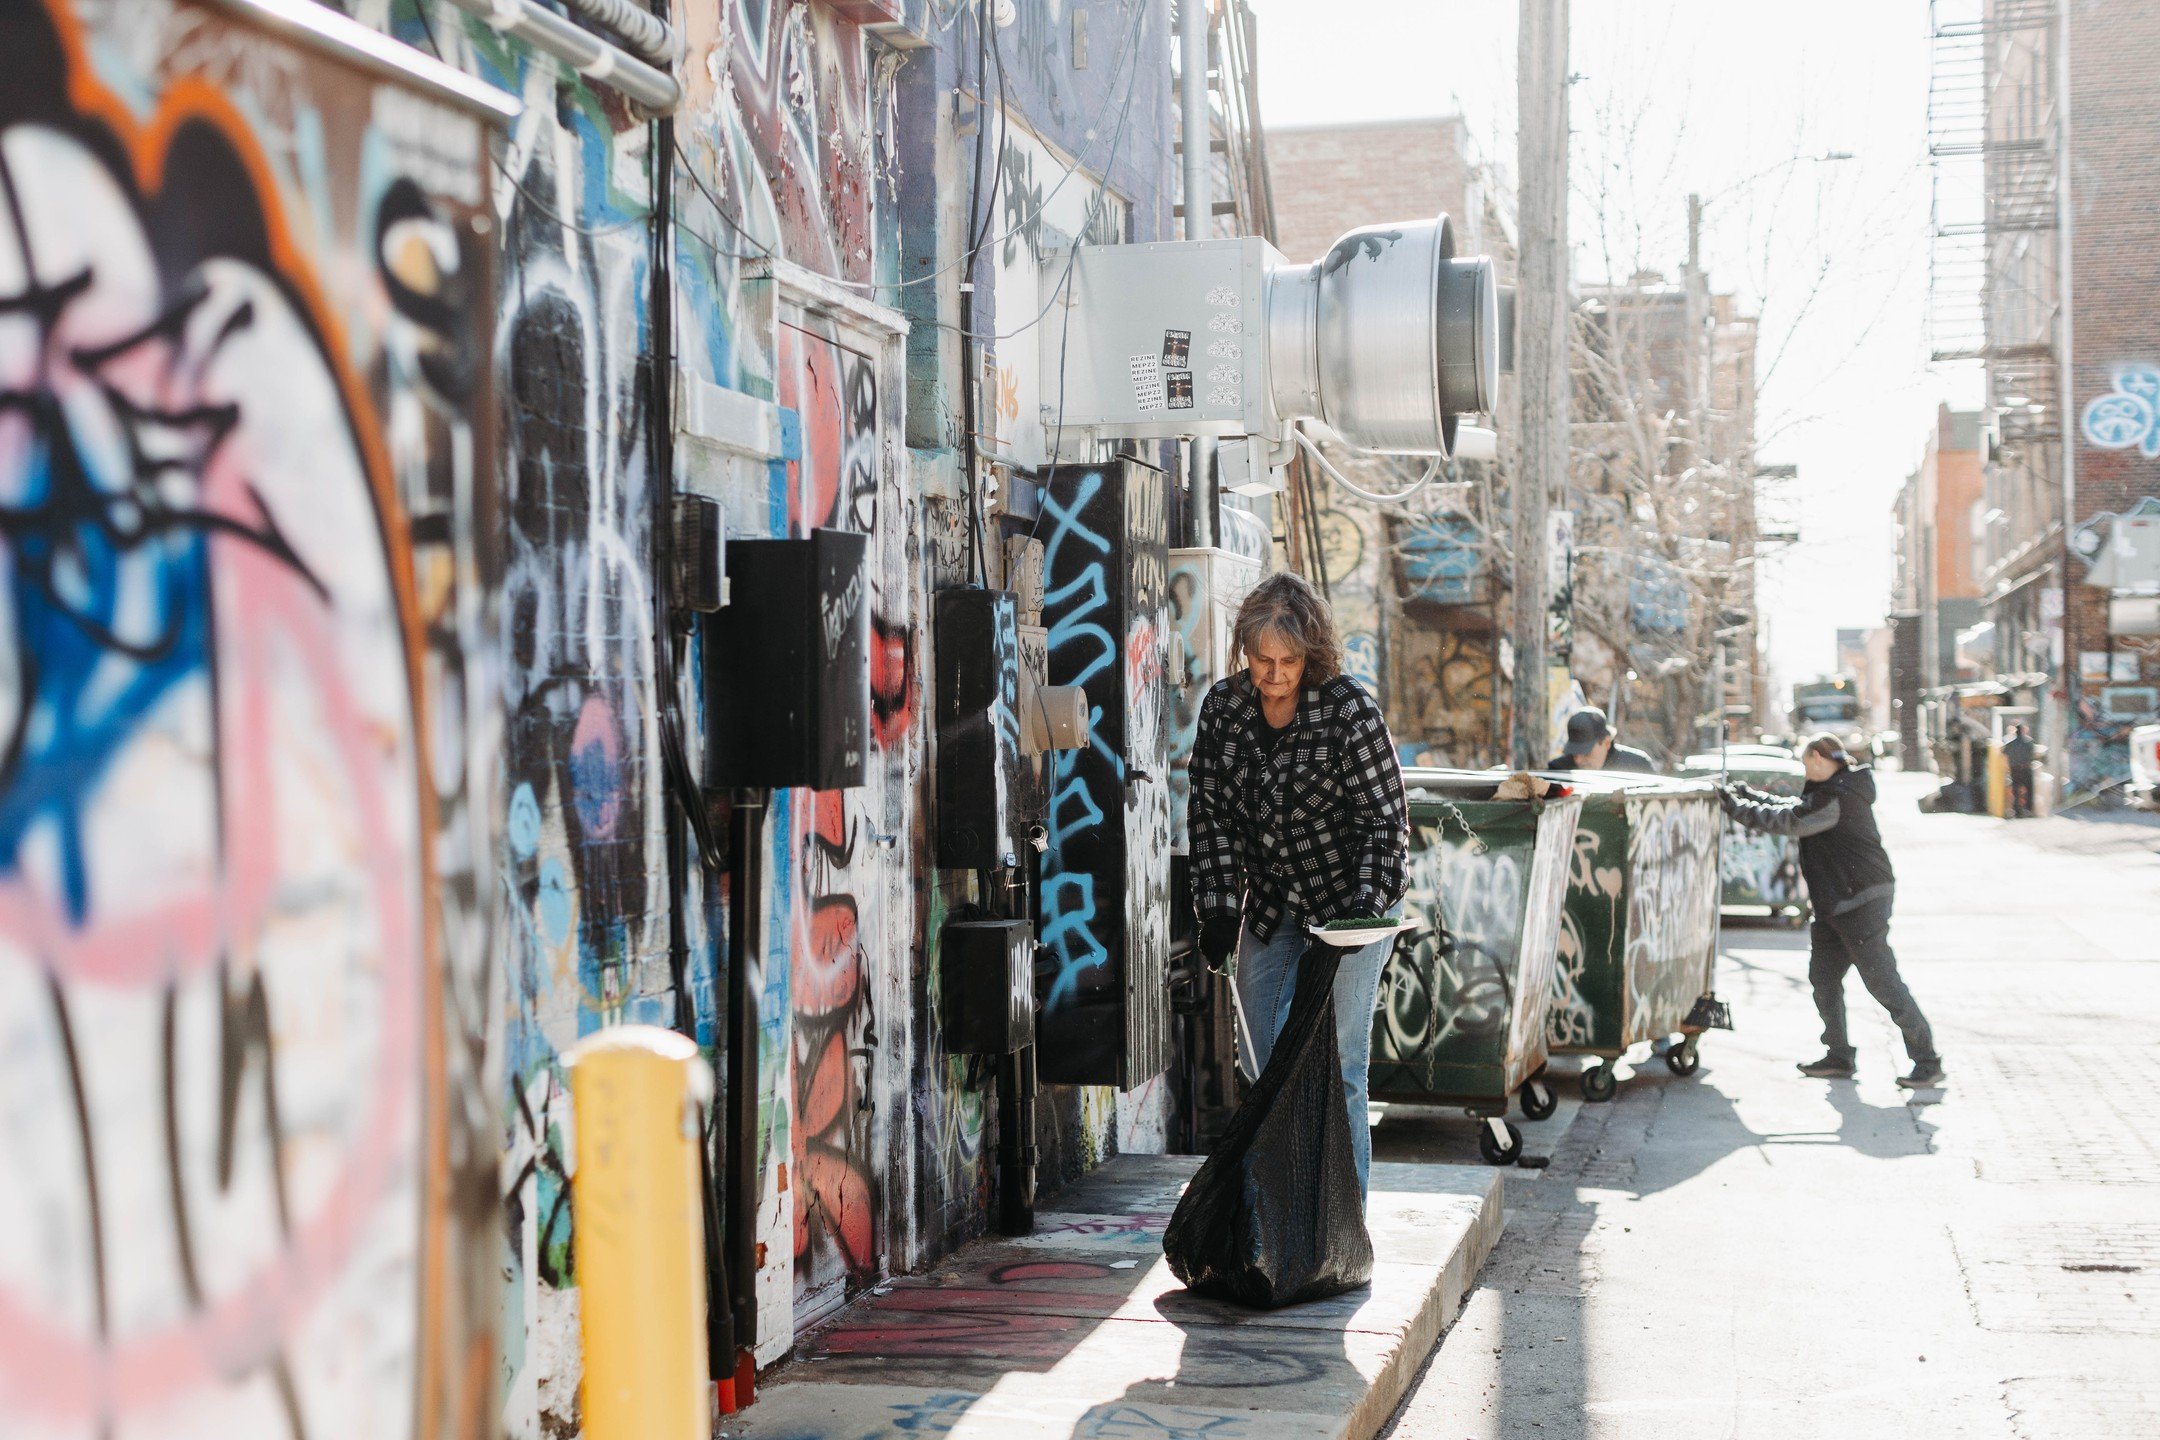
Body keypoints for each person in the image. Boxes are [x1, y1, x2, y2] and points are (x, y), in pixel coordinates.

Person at [1189, 572, 1408, 1200]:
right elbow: (1211, 818)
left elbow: (1384, 825)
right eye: (1263, 660)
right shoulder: (1223, 711)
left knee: (1340, 1066)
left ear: (1310, 653)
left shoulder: (1348, 709)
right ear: (1245, 653)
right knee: (1265, 1063)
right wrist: (1218, 909)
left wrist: (1357, 919)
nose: (1275, 674)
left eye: (1288, 661)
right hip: (1274, 905)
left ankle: (1344, 1220)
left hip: (1353, 903)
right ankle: (1275, 1215)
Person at [1718, 734, 1945, 1088]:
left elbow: (1791, 822)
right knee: (1823, 979)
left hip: (1861, 900)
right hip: (1834, 903)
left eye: (1806, 762)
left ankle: (1927, 1061)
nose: (1804, 770)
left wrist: (1735, 808)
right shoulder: (1829, 789)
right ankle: (1838, 1055)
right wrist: (1750, 796)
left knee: (1882, 982)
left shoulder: (1839, 796)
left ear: (1821, 759)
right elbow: (1794, 807)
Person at [1546, 707, 1615, 770]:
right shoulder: (1557, 769)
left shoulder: (1625, 768)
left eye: (1586, 753)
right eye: (1575, 753)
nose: (1578, 760)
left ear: (1606, 743)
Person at [2002, 723, 2037, 818]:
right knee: (2029, 790)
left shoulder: (2010, 744)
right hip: (2026, 769)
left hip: (2014, 770)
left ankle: (2017, 810)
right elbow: (2033, 755)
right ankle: (2028, 809)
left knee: (2016, 790)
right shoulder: (2029, 743)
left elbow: (2004, 755)